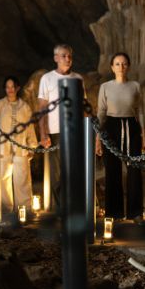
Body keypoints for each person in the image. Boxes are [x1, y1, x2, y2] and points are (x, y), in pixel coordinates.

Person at [96, 52, 145, 221]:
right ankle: (114, 213)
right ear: (112, 67)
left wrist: (143, 137)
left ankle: (136, 212)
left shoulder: (135, 86)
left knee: (134, 169)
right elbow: (101, 113)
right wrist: (98, 138)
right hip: (111, 126)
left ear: (128, 66)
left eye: (124, 63)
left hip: (131, 126)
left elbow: (140, 112)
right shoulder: (105, 87)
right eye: (117, 64)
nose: (121, 67)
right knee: (112, 170)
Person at [38, 43, 84, 212]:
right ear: (56, 58)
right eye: (63, 55)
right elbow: (42, 108)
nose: (67, 59)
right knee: (57, 174)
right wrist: (43, 133)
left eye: (69, 56)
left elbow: (84, 106)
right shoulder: (47, 79)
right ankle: (62, 209)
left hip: (74, 131)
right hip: (55, 132)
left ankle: (76, 207)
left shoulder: (78, 78)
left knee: (75, 170)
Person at [0, 76, 37, 213]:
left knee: (22, 179)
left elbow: (30, 127)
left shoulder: (25, 107)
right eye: (8, 87)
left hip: (20, 147)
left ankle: (24, 209)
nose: (10, 89)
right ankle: (6, 210)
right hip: (3, 148)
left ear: (17, 88)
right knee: (3, 179)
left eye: (12, 87)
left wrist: (32, 146)